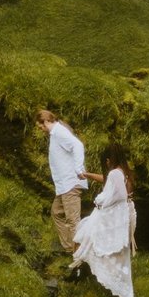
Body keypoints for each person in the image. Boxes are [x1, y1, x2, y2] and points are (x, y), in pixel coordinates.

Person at [70, 145, 137, 297]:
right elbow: (108, 181)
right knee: (117, 256)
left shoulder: (115, 173)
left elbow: (119, 195)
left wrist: (102, 201)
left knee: (83, 237)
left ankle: (80, 274)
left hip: (114, 216)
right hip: (125, 215)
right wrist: (87, 175)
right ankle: (120, 296)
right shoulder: (124, 171)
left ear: (108, 161)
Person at [36, 109, 87, 254]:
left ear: (45, 121)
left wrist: (78, 169)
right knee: (57, 212)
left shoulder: (59, 132)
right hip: (64, 186)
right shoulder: (56, 133)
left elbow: (78, 145)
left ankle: (81, 256)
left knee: (73, 221)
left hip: (71, 183)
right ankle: (71, 249)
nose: (40, 129)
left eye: (40, 126)